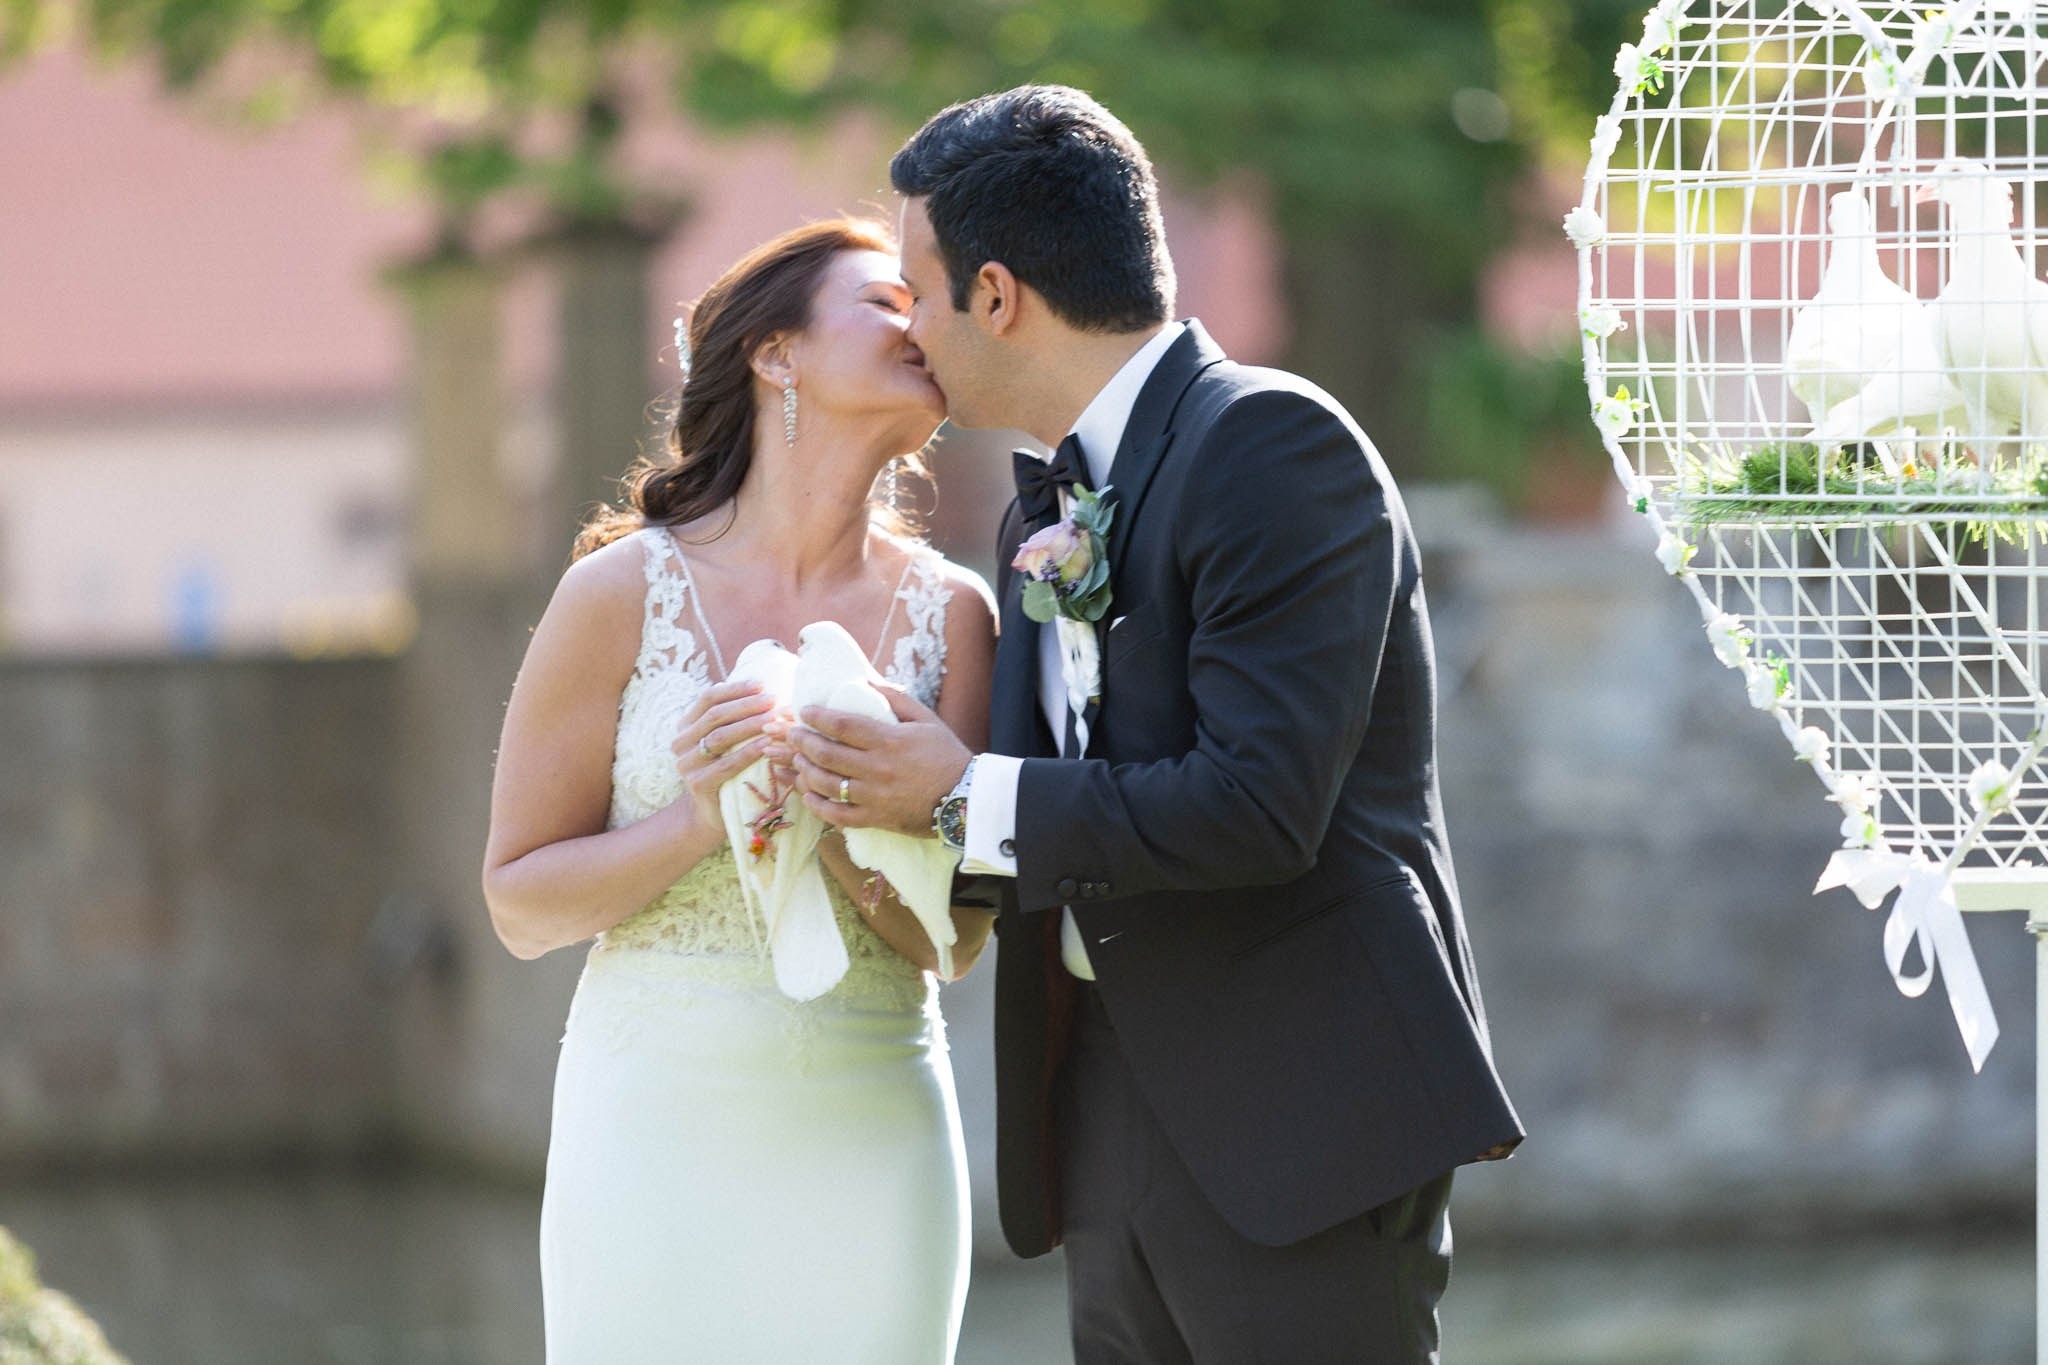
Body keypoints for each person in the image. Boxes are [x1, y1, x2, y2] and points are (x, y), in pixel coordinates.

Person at [788, 87, 1525, 1363]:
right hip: (1102, 1107)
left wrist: (959, 794)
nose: (911, 327)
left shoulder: (1275, 446)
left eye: (918, 290)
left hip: (1300, 1116)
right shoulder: (1037, 519)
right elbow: (1038, 812)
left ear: (999, 294)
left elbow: (1257, 804)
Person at [479, 217, 999, 1364]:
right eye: (883, 300)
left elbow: (955, 943)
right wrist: (696, 817)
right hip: (654, 1120)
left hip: (874, 1125)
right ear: (777, 354)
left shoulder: (956, 614)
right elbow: (519, 905)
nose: (925, 319)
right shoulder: (622, 589)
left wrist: (843, 826)